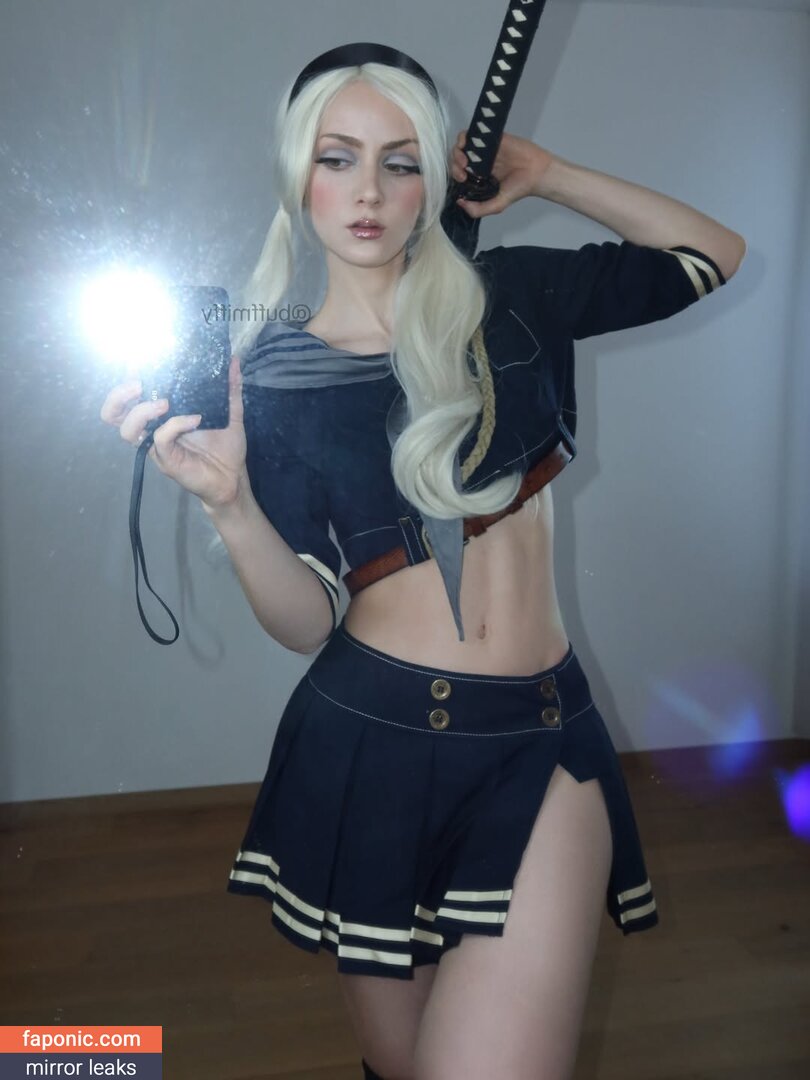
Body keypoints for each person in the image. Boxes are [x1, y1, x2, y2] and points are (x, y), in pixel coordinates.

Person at [101, 42, 745, 1080]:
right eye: (338, 157)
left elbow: (710, 253)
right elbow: (308, 621)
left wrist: (550, 173)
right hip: (370, 746)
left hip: (542, 743)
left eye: (401, 162)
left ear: (434, 183)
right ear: (298, 174)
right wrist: (229, 505)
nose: (368, 190)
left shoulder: (512, 298)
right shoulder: (269, 379)